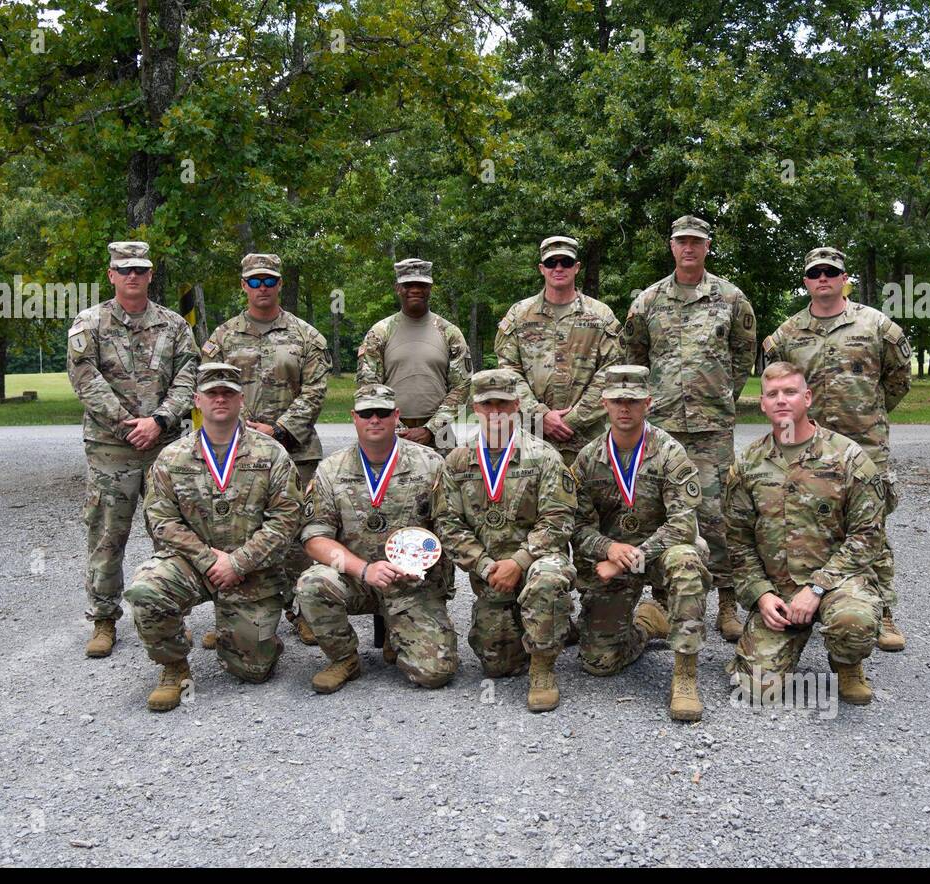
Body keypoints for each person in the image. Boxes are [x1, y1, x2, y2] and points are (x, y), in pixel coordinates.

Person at [123, 363, 304, 710]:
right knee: (147, 589)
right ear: (197, 401)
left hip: (250, 568)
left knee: (252, 670)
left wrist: (238, 562)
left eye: (228, 393)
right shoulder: (171, 458)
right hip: (193, 564)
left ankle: (248, 631)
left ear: (241, 400)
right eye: (212, 393)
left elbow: (286, 520)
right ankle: (174, 666)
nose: (220, 399)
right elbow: (160, 519)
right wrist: (209, 559)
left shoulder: (271, 455)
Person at [763, 246, 912, 651]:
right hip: (807, 448)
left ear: (844, 278)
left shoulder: (877, 326)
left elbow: (897, 381)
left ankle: (881, 613)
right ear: (806, 282)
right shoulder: (787, 335)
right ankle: (806, 598)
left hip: (865, 445)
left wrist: (869, 415)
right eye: (815, 273)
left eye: (831, 272)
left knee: (871, 528)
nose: (823, 278)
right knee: (807, 522)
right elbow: (776, 384)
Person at [620, 215, 755, 644]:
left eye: (697, 242)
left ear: (707, 246)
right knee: (661, 511)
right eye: (682, 242)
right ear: (672, 247)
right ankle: (661, 600)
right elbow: (634, 354)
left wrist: (720, 392)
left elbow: (742, 353)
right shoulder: (648, 301)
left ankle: (728, 604)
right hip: (661, 427)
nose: (689, 249)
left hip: (712, 426)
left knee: (719, 516)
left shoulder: (731, 298)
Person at [723, 362, 885, 705]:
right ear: (763, 403)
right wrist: (761, 595)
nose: (782, 400)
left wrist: (817, 587)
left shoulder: (847, 457)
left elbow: (867, 535)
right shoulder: (748, 464)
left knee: (852, 623)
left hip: (837, 583)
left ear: (807, 398)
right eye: (773, 394)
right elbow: (739, 542)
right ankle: (771, 647)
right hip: (779, 592)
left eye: (790, 392)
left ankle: (846, 662)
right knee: (756, 691)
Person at [67, 240, 198, 658]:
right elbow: (86, 380)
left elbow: (187, 377)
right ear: (111, 275)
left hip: (165, 447)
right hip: (112, 448)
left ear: (150, 274)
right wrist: (128, 427)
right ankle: (104, 619)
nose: (132, 276)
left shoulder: (174, 325)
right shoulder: (89, 323)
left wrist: (158, 421)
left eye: (140, 270)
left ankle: (171, 616)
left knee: (172, 532)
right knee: (107, 533)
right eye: (124, 270)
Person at [200, 252, 329, 647]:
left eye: (269, 280)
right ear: (243, 285)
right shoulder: (222, 338)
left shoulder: (307, 336)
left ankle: (303, 612)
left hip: (295, 451)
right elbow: (210, 393)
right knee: (237, 532)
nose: (262, 288)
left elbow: (316, 390)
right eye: (254, 281)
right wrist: (243, 431)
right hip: (234, 453)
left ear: (279, 284)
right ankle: (232, 617)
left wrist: (278, 430)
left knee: (297, 535)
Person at [297, 384, 458, 693]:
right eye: (366, 413)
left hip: (412, 582)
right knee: (313, 583)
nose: (375, 420)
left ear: (396, 416)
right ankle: (344, 659)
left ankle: (396, 634)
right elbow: (315, 538)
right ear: (354, 418)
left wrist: (428, 562)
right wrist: (364, 570)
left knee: (434, 673)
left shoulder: (430, 463)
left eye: (383, 413)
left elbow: (450, 527)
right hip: (357, 578)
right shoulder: (331, 469)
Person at [571, 366, 710, 722]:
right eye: (617, 400)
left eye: (633, 401)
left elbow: (683, 523)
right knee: (598, 662)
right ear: (604, 403)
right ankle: (649, 623)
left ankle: (684, 675)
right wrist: (606, 549)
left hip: (660, 553)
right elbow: (576, 525)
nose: (624, 408)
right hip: (612, 560)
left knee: (688, 559)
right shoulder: (587, 459)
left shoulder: (669, 452)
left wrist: (627, 558)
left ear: (648, 403)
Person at [434, 369, 577, 712]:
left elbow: (558, 520)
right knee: (497, 664)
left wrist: (520, 561)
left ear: (516, 406)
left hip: (537, 562)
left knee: (546, 581)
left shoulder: (544, 457)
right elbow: (448, 524)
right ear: (475, 408)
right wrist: (486, 567)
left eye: (503, 403)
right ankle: (554, 624)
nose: (495, 411)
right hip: (491, 576)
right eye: (487, 404)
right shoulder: (457, 460)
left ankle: (543, 668)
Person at [494, 234, 622, 464]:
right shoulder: (519, 314)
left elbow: (612, 371)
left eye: (566, 262)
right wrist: (541, 416)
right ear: (542, 269)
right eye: (552, 263)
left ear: (577, 267)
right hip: (532, 436)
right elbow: (509, 372)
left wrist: (574, 418)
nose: (559, 268)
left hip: (588, 437)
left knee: (589, 499)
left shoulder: (601, 315)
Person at [355, 258, 471, 453]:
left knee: (442, 483)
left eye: (421, 285)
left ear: (430, 288)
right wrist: (396, 427)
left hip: (440, 436)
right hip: (389, 433)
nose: (415, 290)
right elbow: (368, 386)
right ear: (398, 288)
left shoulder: (450, 333)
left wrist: (430, 429)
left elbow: (462, 386)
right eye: (408, 284)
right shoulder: (380, 333)